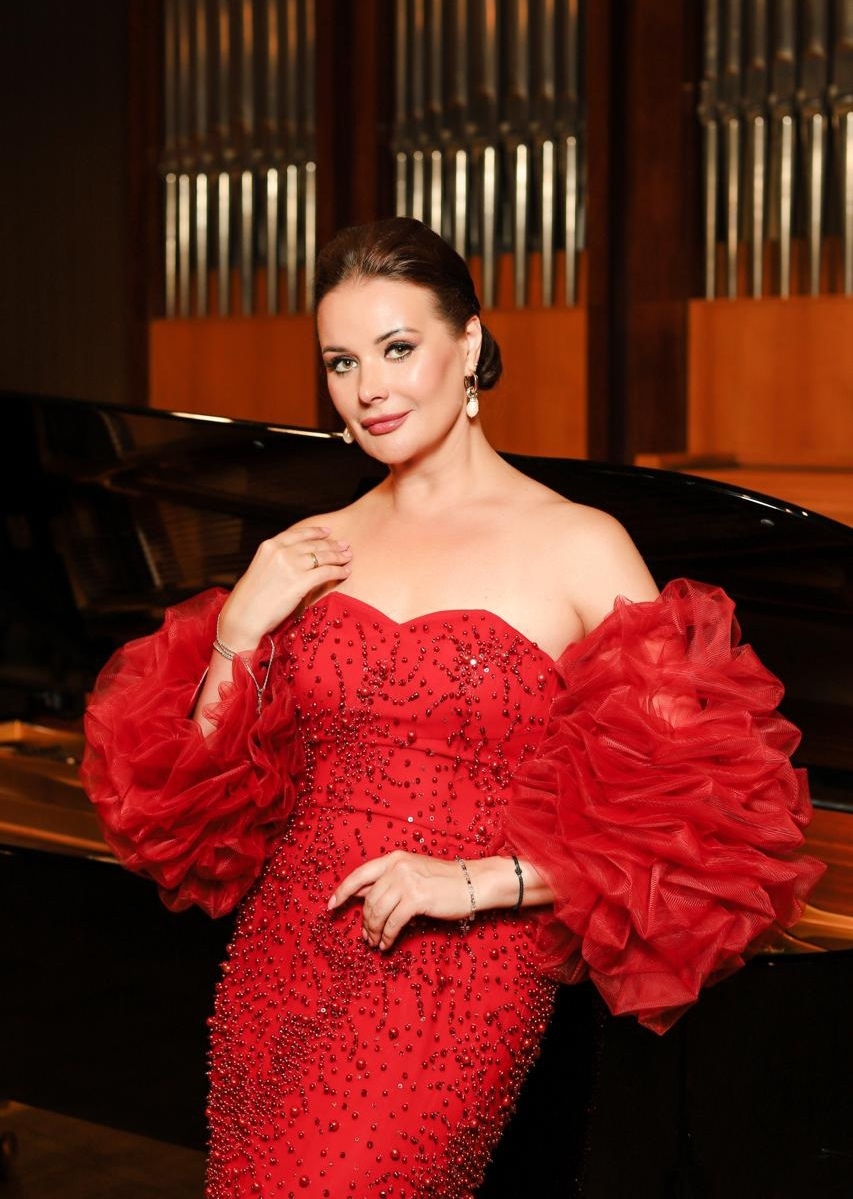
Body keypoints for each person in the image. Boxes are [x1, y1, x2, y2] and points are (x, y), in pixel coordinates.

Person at [82, 217, 822, 1198]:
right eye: (342, 361)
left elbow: (708, 818)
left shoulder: (578, 544)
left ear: (468, 344)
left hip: (456, 973)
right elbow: (194, 806)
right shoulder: (312, 546)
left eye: (397, 348)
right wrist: (238, 632)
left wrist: (481, 881)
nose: (368, 387)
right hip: (282, 956)